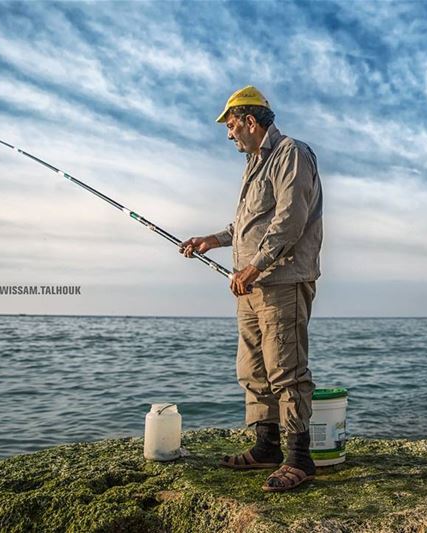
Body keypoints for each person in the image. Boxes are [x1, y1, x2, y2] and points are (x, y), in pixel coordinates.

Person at [179, 86, 323, 492]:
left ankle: (299, 459)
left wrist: (255, 266)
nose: (228, 135)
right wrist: (212, 239)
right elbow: (246, 225)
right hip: (250, 283)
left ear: (249, 120)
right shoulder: (253, 164)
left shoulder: (291, 153)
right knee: (252, 368)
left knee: (286, 370)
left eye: (230, 125)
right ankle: (266, 448)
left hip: (281, 279)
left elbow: (290, 220)